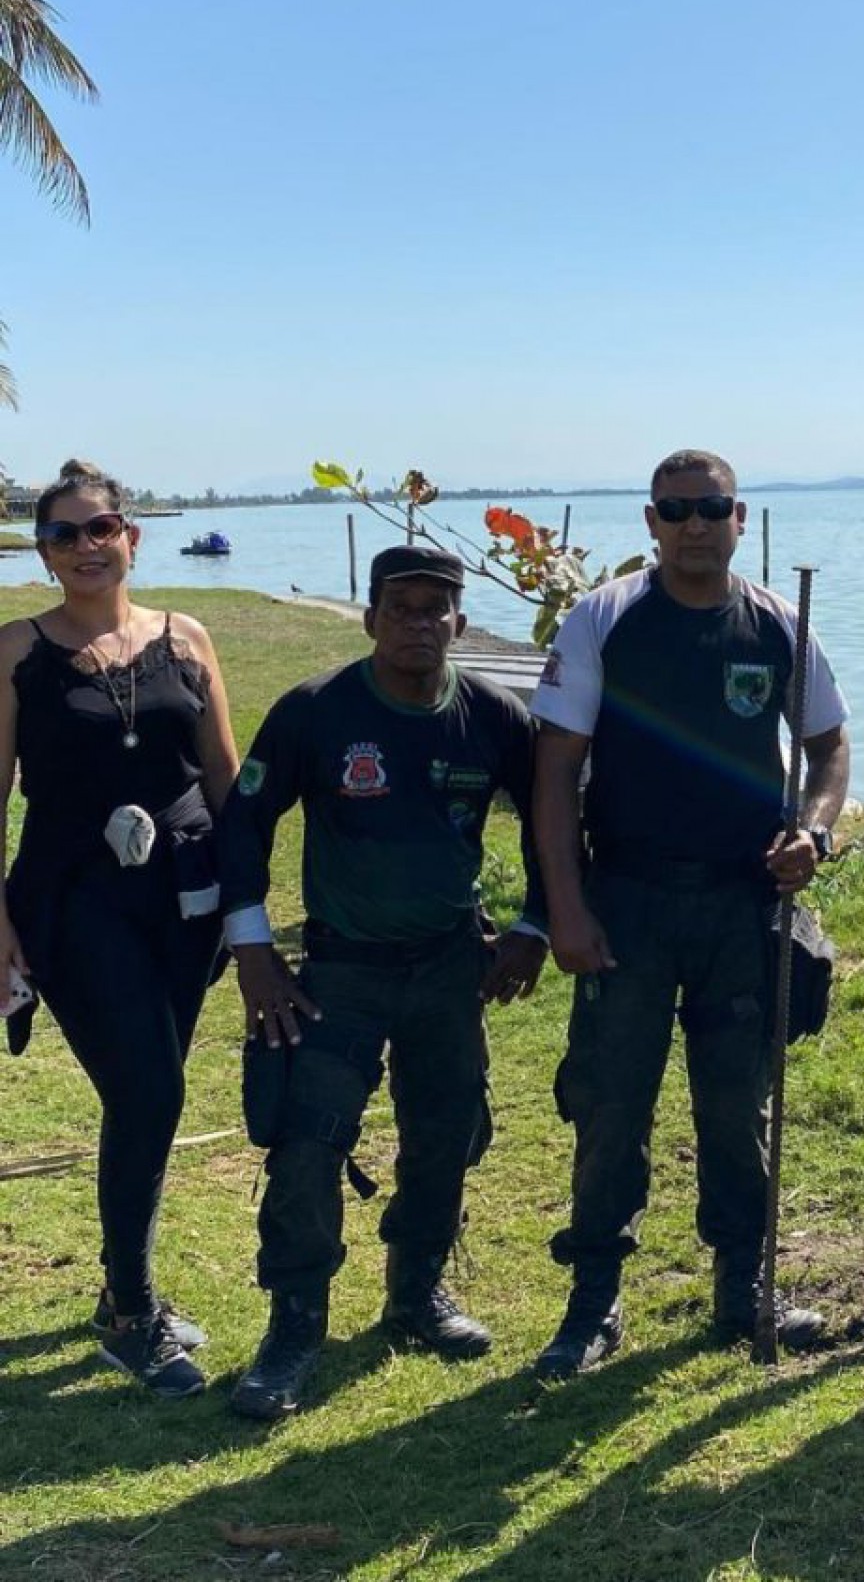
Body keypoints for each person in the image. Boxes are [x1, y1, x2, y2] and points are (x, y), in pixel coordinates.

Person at [529, 449, 850, 1377]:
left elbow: (828, 748)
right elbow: (554, 772)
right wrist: (565, 905)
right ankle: (592, 1300)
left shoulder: (781, 625)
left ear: (741, 517)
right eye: (676, 511)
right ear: (650, 521)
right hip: (626, 900)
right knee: (610, 1104)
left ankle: (743, 1286)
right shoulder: (605, 618)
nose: (695, 524)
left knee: (735, 1106)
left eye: (712, 508)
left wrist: (815, 836)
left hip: (742, 906)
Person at [216, 545, 550, 1418]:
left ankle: (417, 1294)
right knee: (306, 1141)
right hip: (338, 971)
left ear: (460, 625)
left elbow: (553, 821)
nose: (418, 624)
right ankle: (295, 1324)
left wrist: (533, 925)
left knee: (445, 1134)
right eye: (400, 608)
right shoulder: (314, 712)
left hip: (450, 967)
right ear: (369, 619)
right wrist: (253, 950)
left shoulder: (492, 716)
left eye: (435, 610)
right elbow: (241, 826)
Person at [0, 459, 240, 1396]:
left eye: (101, 528)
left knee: (155, 1086)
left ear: (131, 536)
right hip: (74, 902)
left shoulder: (188, 639)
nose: (86, 547)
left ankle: (117, 1298)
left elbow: (222, 780)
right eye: (64, 534)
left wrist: (248, 911)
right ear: (44, 552)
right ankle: (133, 1314)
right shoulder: (17, 652)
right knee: (149, 1093)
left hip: (188, 900)